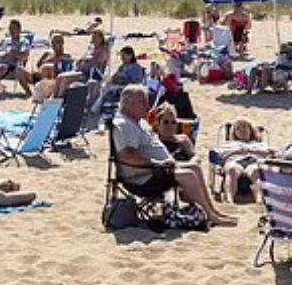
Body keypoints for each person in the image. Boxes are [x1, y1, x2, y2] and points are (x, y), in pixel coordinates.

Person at [113, 85, 235, 226]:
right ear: (129, 103)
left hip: (156, 170)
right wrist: (156, 164)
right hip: (143, 177)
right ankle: (210, 216)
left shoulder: (137, 122)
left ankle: (213, 212)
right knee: (188, 174)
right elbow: (127, 157)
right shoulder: (123, 125)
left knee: (195, 167)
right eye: (143, 102)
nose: (147, 106)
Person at [217, 119, 274, 203]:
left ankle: (259, 199)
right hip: (235, 161)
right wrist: (236, 151)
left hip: (253, 161)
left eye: (245, 127)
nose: (242, 131)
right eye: (238, 129)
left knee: (256, 171)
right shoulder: (229, 144)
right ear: (234, 133)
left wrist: (254, 151)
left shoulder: (259, 144)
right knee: (231, 169)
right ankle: (229, 200)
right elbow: (221, 156)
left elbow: (272, 153)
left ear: (250, 131)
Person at [93, 45, 145, 113]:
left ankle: (96, 107)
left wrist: (122, 80)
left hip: (127, 87)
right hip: (118, 85)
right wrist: (113, 78)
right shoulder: (122, 66)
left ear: (130, 55)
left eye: (124, 55)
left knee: (107, 89)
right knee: (101, 85)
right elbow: (114, 77)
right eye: (121, 56)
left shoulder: (136, 67)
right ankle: (97, 105)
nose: (122, 58)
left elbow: (136, 82)